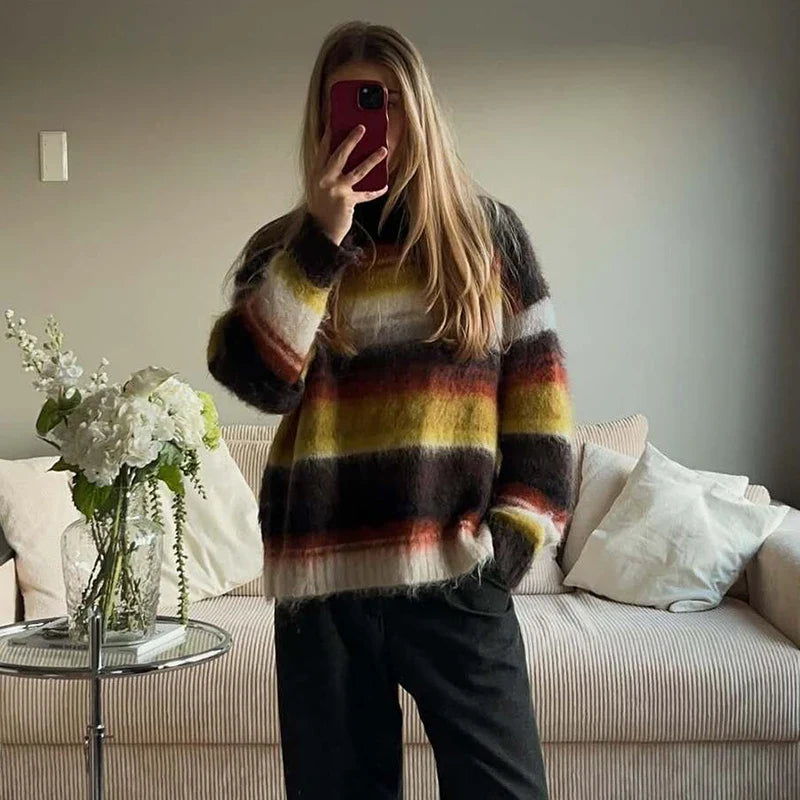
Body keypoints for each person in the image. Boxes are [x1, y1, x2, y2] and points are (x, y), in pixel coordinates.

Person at [206, 19, 575, 800]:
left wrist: (504, 555)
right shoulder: (283, 250)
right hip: (322, 596)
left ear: (420, 110)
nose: (375, 127)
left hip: (456, 580)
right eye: (350, 105)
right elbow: (259, 383)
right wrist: (321, 241)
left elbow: (541, 416)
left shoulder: (488, 239)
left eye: (389, 103)